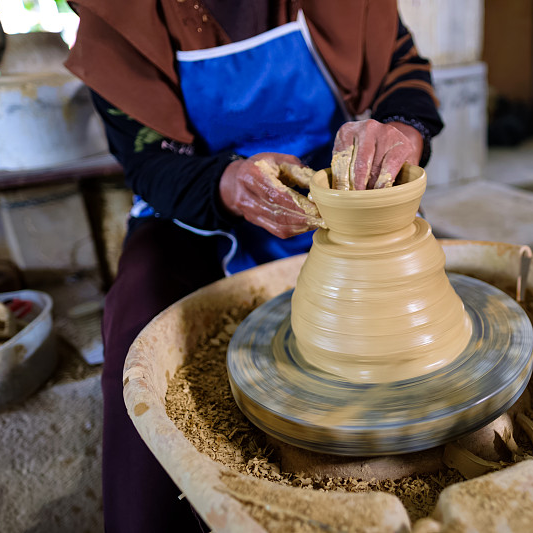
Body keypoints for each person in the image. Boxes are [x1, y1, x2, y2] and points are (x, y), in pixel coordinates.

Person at [65, 1, 443, 531]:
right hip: (195, 204)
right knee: (138, 325)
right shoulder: (123, 15)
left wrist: (402, 130)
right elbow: (146, 160)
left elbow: (405, 70)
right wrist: (227, 184)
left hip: (339, 197)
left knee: (437, 291)